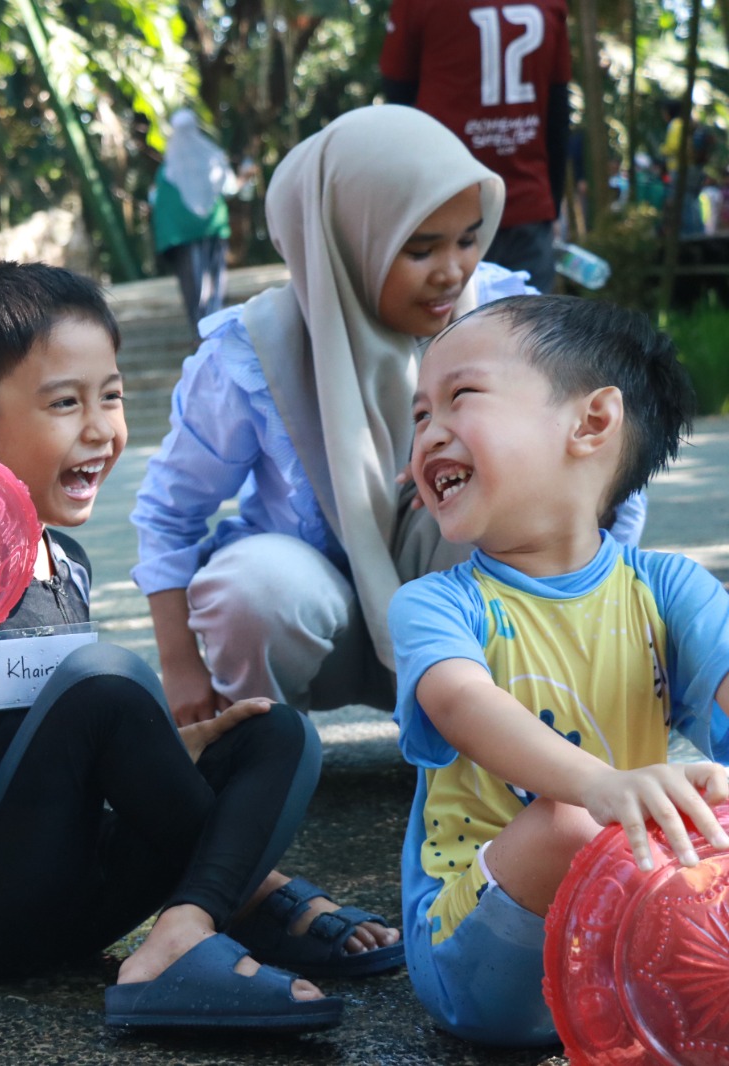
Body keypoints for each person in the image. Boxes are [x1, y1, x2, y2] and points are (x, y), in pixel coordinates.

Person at [0, 258, 402, 1033]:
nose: (100, 428)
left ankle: (188, 925)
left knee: (275, 736)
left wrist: (163, 754)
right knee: (107, 684)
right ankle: (255, 896)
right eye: (66, 403)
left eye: (111, 396)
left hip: (80, 886)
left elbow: (65, 748)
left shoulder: (66, 562)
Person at [131, 106, 644, 726]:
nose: (452, 271)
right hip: (326, 627)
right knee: (252, 588)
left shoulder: (506, 318)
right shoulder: (258, 350)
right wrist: (180, 666)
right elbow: (170, 514)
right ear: (346, 242)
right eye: (421, 249)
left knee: (517, 500)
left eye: (468, 239)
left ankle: (494, 734)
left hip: (470, 614)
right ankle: (265, 749)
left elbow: (610, 464)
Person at [392, 294, 729, 1045]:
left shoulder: (668, 589)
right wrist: (600, 784)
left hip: (628, 933)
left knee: (707, 796)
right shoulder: (437, 604)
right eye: (419, 415)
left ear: (592, 422)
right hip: (475, 952)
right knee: (570, 822)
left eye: (461, 395)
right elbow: (462, 702)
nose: (428, 433)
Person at [381, 0, 571, 292]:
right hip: (526, 204)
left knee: (449, 320)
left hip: (442, 203)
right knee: (529, 321)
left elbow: (398, 101)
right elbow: (558, 111)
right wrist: (552, 205)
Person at [152, 109, 236, 330]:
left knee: (192, 280)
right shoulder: (213, 157)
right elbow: (230, 187)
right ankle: (215, 324)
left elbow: (155, 200)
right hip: (213, 227)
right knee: (215, 277)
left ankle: (201, 328)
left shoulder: (168, 168)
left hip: (181, 233)